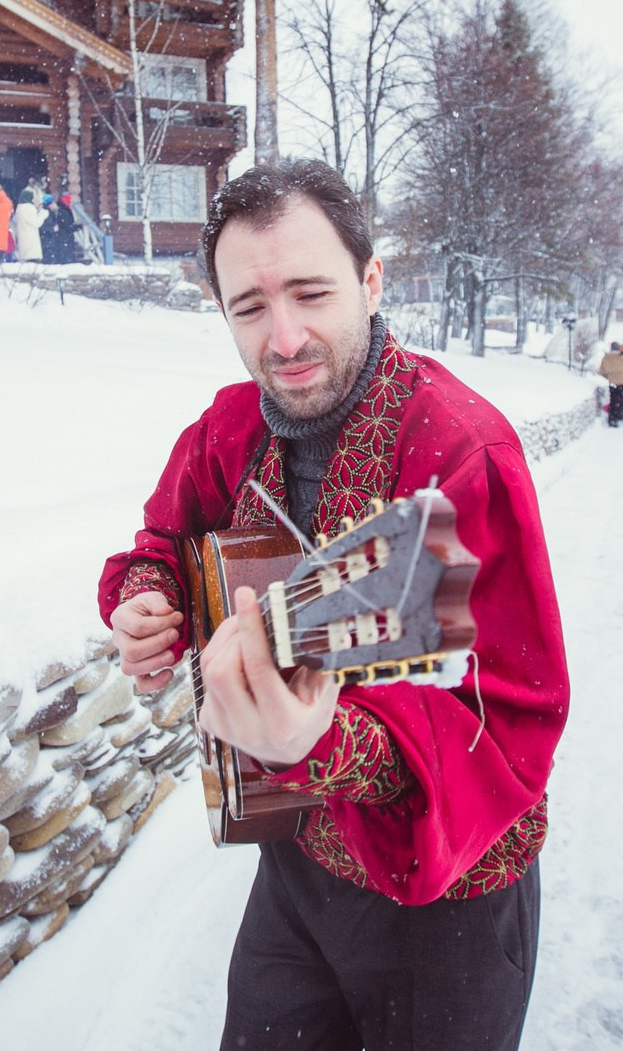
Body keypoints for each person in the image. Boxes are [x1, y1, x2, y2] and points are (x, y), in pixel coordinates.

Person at [99, 162, 567, 1051]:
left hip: (448, 897)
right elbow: (159, 541)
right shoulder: (231, 428)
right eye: (249, 307)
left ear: (371, 278)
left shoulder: (463, 451)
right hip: (294, 861)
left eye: (311, 292)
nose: (283, 337)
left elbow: (511, 718)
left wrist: (329, 741)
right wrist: (148, 600)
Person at [598, 341, 623, 428]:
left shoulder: (606, 358)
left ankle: (612, 419)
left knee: (614, 401)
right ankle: (621, 416)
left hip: (612, 382)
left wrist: (609, 377)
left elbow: (601, 372)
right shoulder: (622, 357)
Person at [40, 193, 81, 264]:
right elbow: (66, 226)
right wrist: (77, 227)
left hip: (56, 240)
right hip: (58, 240)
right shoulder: (60, 212)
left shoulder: (56, 211)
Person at [11, 189, 46, 262]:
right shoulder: (28, 208)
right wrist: (43, 215)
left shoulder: (19, 208)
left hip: (24, 244)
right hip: (31, 244)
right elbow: (37, 223)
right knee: (33, 265)